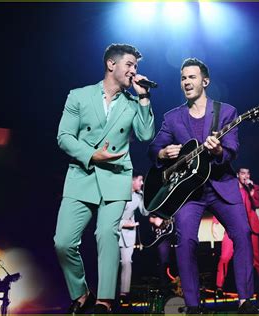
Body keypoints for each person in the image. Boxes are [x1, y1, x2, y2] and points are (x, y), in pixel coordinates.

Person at [148, 58, 259, 314]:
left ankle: (245, 300)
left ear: (205, 81)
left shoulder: (226, 112)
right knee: (185, 240)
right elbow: (154, 148)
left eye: (192, 77)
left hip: (221, 184)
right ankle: (192, 305)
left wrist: (219, 149)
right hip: (189, 192)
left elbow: (232, 150)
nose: (186, 82)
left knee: (242, 233)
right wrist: (163, 152)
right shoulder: (172, 118)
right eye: (183, 78)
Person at [54, 43, 155, 314]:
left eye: (137, 66)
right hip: (81, 174)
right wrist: (91, 155)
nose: (134, 71)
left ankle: (106, 301)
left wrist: (144, 98)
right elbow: (64, 136)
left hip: (116, 176)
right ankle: (82, 292)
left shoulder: (133, 103)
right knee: (63, 242)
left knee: (106, 234)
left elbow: (145, 136)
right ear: (112, 64)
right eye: (130, 65)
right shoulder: (79, 96)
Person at [212, 167, 259, 296]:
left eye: (248, 173)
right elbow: (220, 203)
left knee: (256, 260)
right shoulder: (231, 189)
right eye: (242, 173)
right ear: (237, 175)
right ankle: (219, 287)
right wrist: (215, 222)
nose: (245, 175)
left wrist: (251, 191)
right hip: (233, 227)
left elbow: (257, 204)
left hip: (251, 228)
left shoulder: (254, 188)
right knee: (225, 257)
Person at [118, 173, 149, 302]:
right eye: (140, 180)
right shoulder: (119, 193)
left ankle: (124, 293)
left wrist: (146, 197)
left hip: (129, 234)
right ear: (132, 180)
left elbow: (145, 212)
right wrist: (123, 224)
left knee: (127, 262)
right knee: (112, 263)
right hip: (115, 231)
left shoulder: (138, 196)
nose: (142, 183)